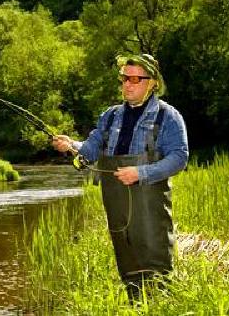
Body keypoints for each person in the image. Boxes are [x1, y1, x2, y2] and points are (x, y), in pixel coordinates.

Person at [52, 53, 188, 301]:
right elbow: (91, 149)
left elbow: (179, 158)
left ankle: (160, 305)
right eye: (125, 78)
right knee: (126, 256)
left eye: (136, 79)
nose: (128, 84)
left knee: (154, 257)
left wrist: (141, 173)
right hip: (116, 202)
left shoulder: (168, 117)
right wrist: (70, 144)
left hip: (150, 202)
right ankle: (135, 304)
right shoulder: (110, 116)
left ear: (153, 82)